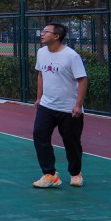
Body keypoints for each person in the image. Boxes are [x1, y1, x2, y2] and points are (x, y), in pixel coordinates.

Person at [32, 22, 88, 188]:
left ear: (56, 36)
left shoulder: (71, 56)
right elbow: (41, 75)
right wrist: (39, 98)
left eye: (46, 31)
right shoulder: (41, 52)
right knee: (39, 135)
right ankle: (50, 174)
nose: (42, 34)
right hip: (46, 106)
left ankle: (76, 173)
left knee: (72, 142)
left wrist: (78, 105)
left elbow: (82, 80)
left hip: (68, 109)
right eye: (42, 31)